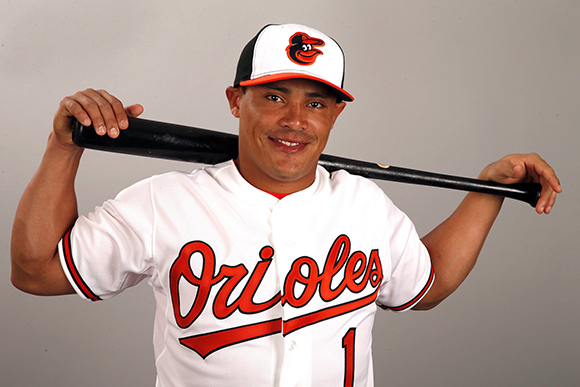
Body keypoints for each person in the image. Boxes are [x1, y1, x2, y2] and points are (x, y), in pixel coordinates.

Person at [10, 23, 561, 387]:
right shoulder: (166, 202)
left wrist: (489, 189)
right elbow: (35, 272)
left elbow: (428, 283)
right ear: (236, 100)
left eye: (316, 102)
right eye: (274, 96)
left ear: (334, 115)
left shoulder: (364, 204)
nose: (295, 120)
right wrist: (63, 148)